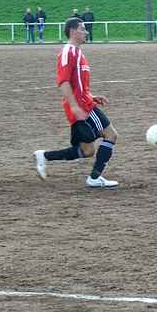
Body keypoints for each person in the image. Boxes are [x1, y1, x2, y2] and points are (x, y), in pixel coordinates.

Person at [33, 17, 119, 188]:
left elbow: (77, 83)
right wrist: (74, 106)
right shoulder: (68, 52)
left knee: (87, 151)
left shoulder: (78, 53)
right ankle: (94, 178)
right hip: (82, 107)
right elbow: (63, 82)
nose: (86, 32)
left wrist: (92, 96)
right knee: (111, 135)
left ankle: (44, 156)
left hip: (84, 102)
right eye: (82, 29)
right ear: (73, 31)